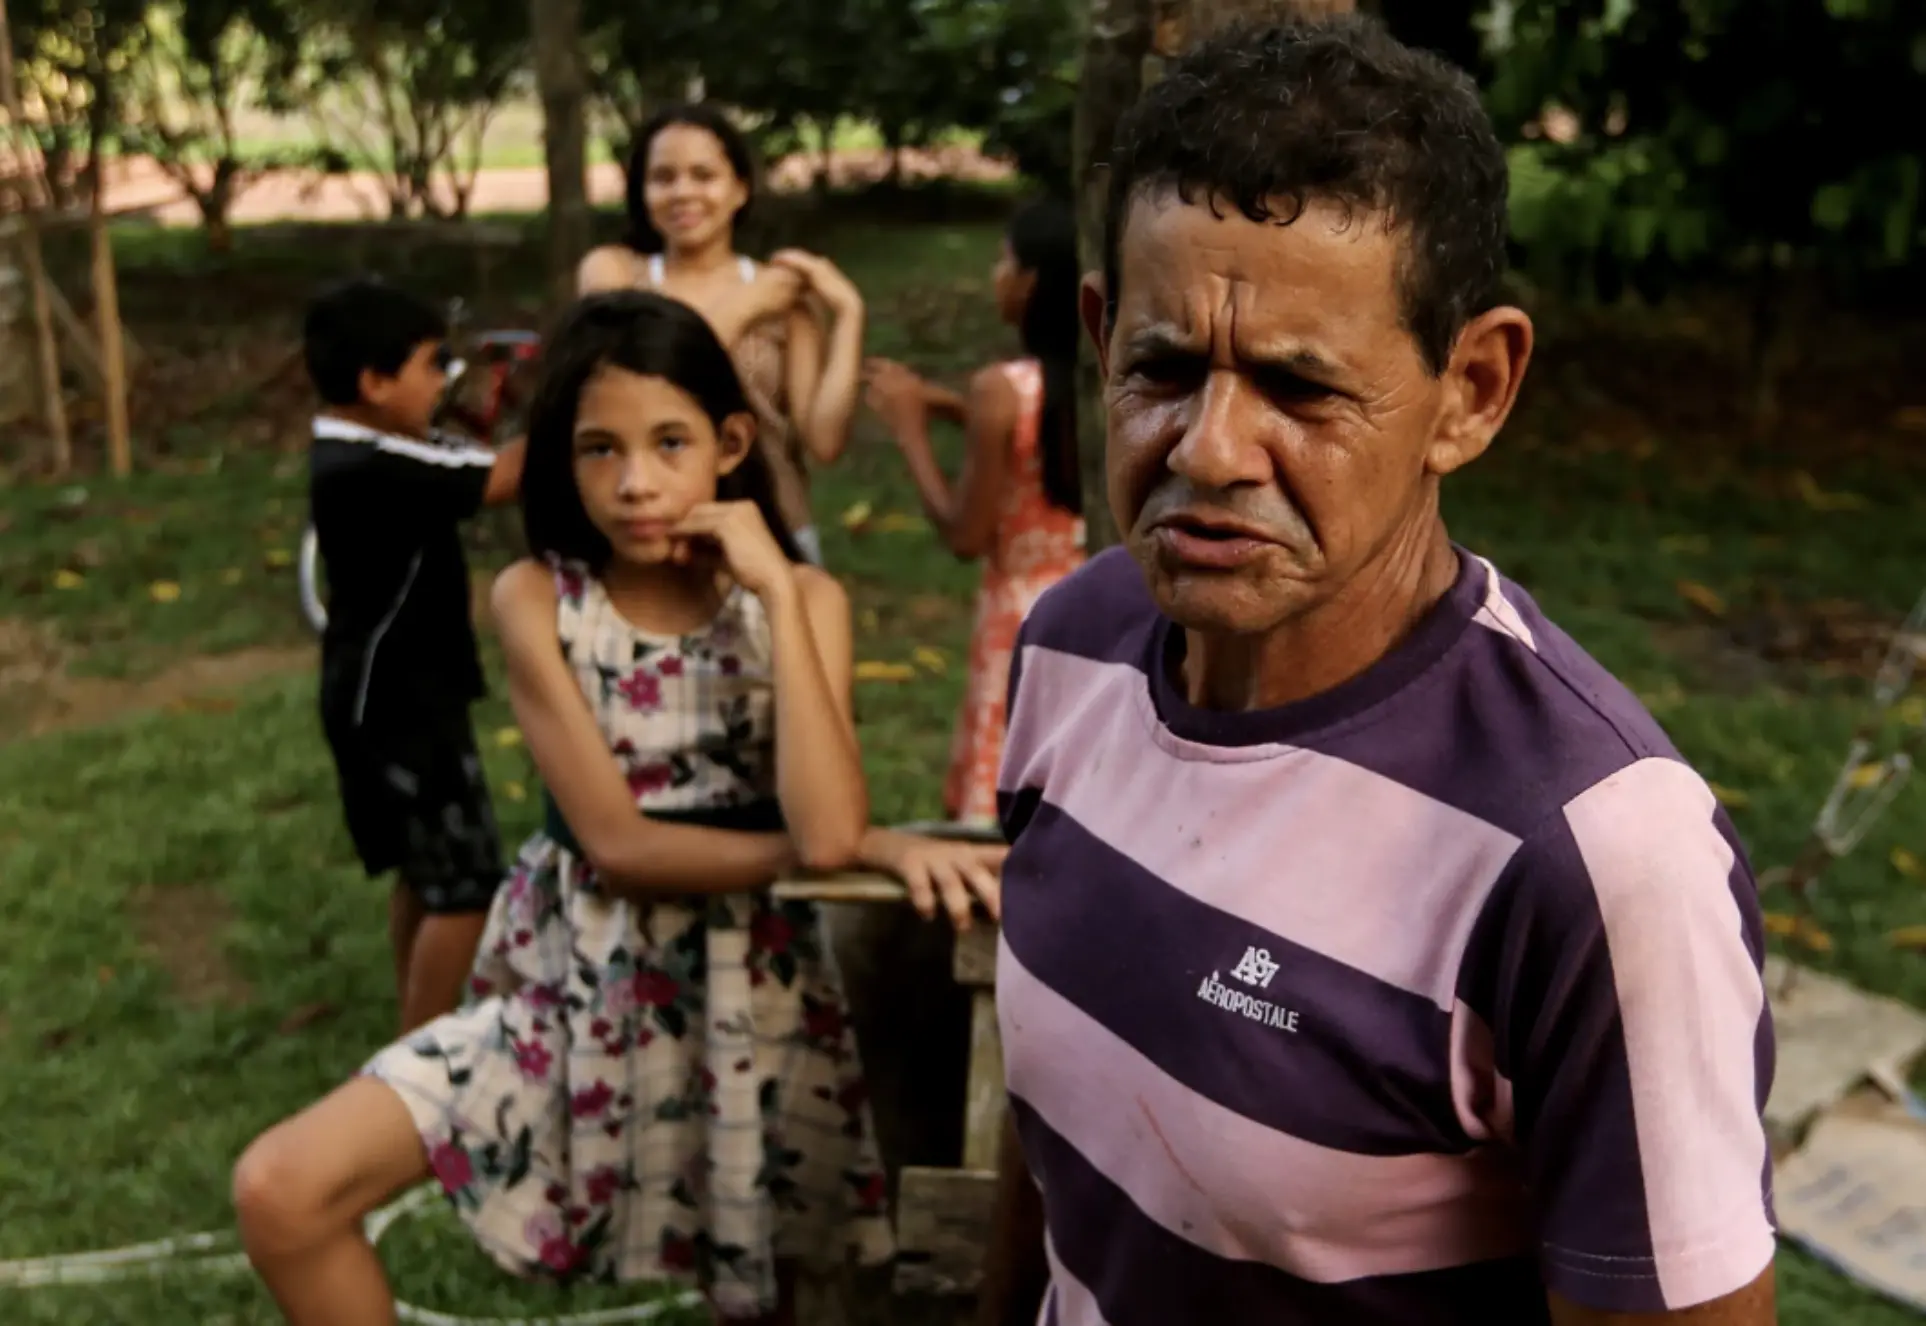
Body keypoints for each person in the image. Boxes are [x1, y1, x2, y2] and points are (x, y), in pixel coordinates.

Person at [978, 16, 1777, 1326]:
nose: (1212, 448)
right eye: (1163, 368)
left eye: (1298, 389)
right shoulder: (1076, 643)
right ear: (1096, 332)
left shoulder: (1594, 859)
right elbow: (1062, 1113)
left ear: (1470, 388)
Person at [236, 290, 1003, 1326]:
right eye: (599, 449)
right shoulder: (538, 600)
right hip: (572, 985)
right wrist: (851, 847)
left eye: (669, 441)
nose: (636, 482)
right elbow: (623, 847)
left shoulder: (805, 603)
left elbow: (826, 827)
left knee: (764, 1295)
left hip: (753, 1005)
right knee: (283, 1188)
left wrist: (778, 591)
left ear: (732, 444)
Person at [304, 277, 525, 1035]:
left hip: (390, 700)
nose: (444, 381)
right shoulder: (371, 467)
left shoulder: (367, 451)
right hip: (402, 707)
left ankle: (411, 1032)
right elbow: (504, 476)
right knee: (466, 888)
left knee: (426, 877)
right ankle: (419, 1066)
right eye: (434, 366)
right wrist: (581, 406)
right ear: (374, 382)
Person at [863, 198, 1087, 826]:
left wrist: (910, 429)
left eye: (1004, 260)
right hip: (1086, 603)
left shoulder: (1001, 388)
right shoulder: (1090, 382)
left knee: (1002, 804)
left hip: (1017, 618)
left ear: (1032, 281)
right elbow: (1039, 448)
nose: (996, 274)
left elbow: (967, 533)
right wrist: (954, 410)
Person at [578, 102, 866, 567]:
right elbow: (645, 382)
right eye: (663, 178)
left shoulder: (783, 294)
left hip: (772, 531)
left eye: (703, 175)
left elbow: (824, 441)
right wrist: (747, 305)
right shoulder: (613, 275)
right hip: (649, 534)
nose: (683, 192)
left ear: (740, 189)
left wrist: (850, 314)